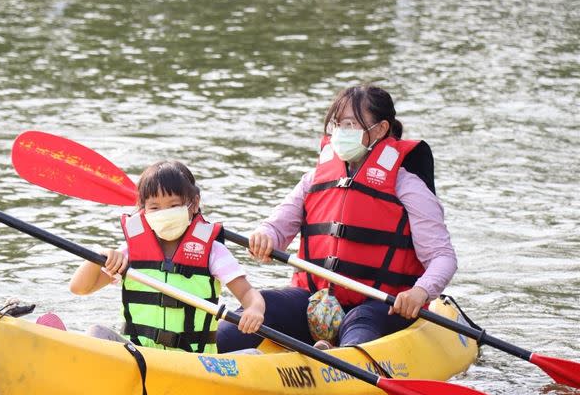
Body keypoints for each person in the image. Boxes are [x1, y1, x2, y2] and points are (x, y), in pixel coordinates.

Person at [216, 84, 457, 352]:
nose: (341, 132)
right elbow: (277, 227)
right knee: (265, 303)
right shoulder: (314, 179)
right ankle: (205, 352)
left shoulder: (407, 187)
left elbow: (442, 257)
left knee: (359, 320)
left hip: (378, 305)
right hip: (316, 301)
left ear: (380, 129)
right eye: (338, 124)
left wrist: (420, 292)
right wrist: (265, 236)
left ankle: (337, 359)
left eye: (351, 124)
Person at [69, 160, 265, 353]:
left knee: (253, 355)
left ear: (194, 204)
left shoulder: (213, 252)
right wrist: (99, 257)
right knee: (96, 332)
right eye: (155, 207)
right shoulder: (131, 252)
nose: (165, 213)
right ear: (143, 210)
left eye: (173, 206)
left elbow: (248, 294)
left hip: (193, 362)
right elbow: (79, 288)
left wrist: (254, 309)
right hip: (139, 356)